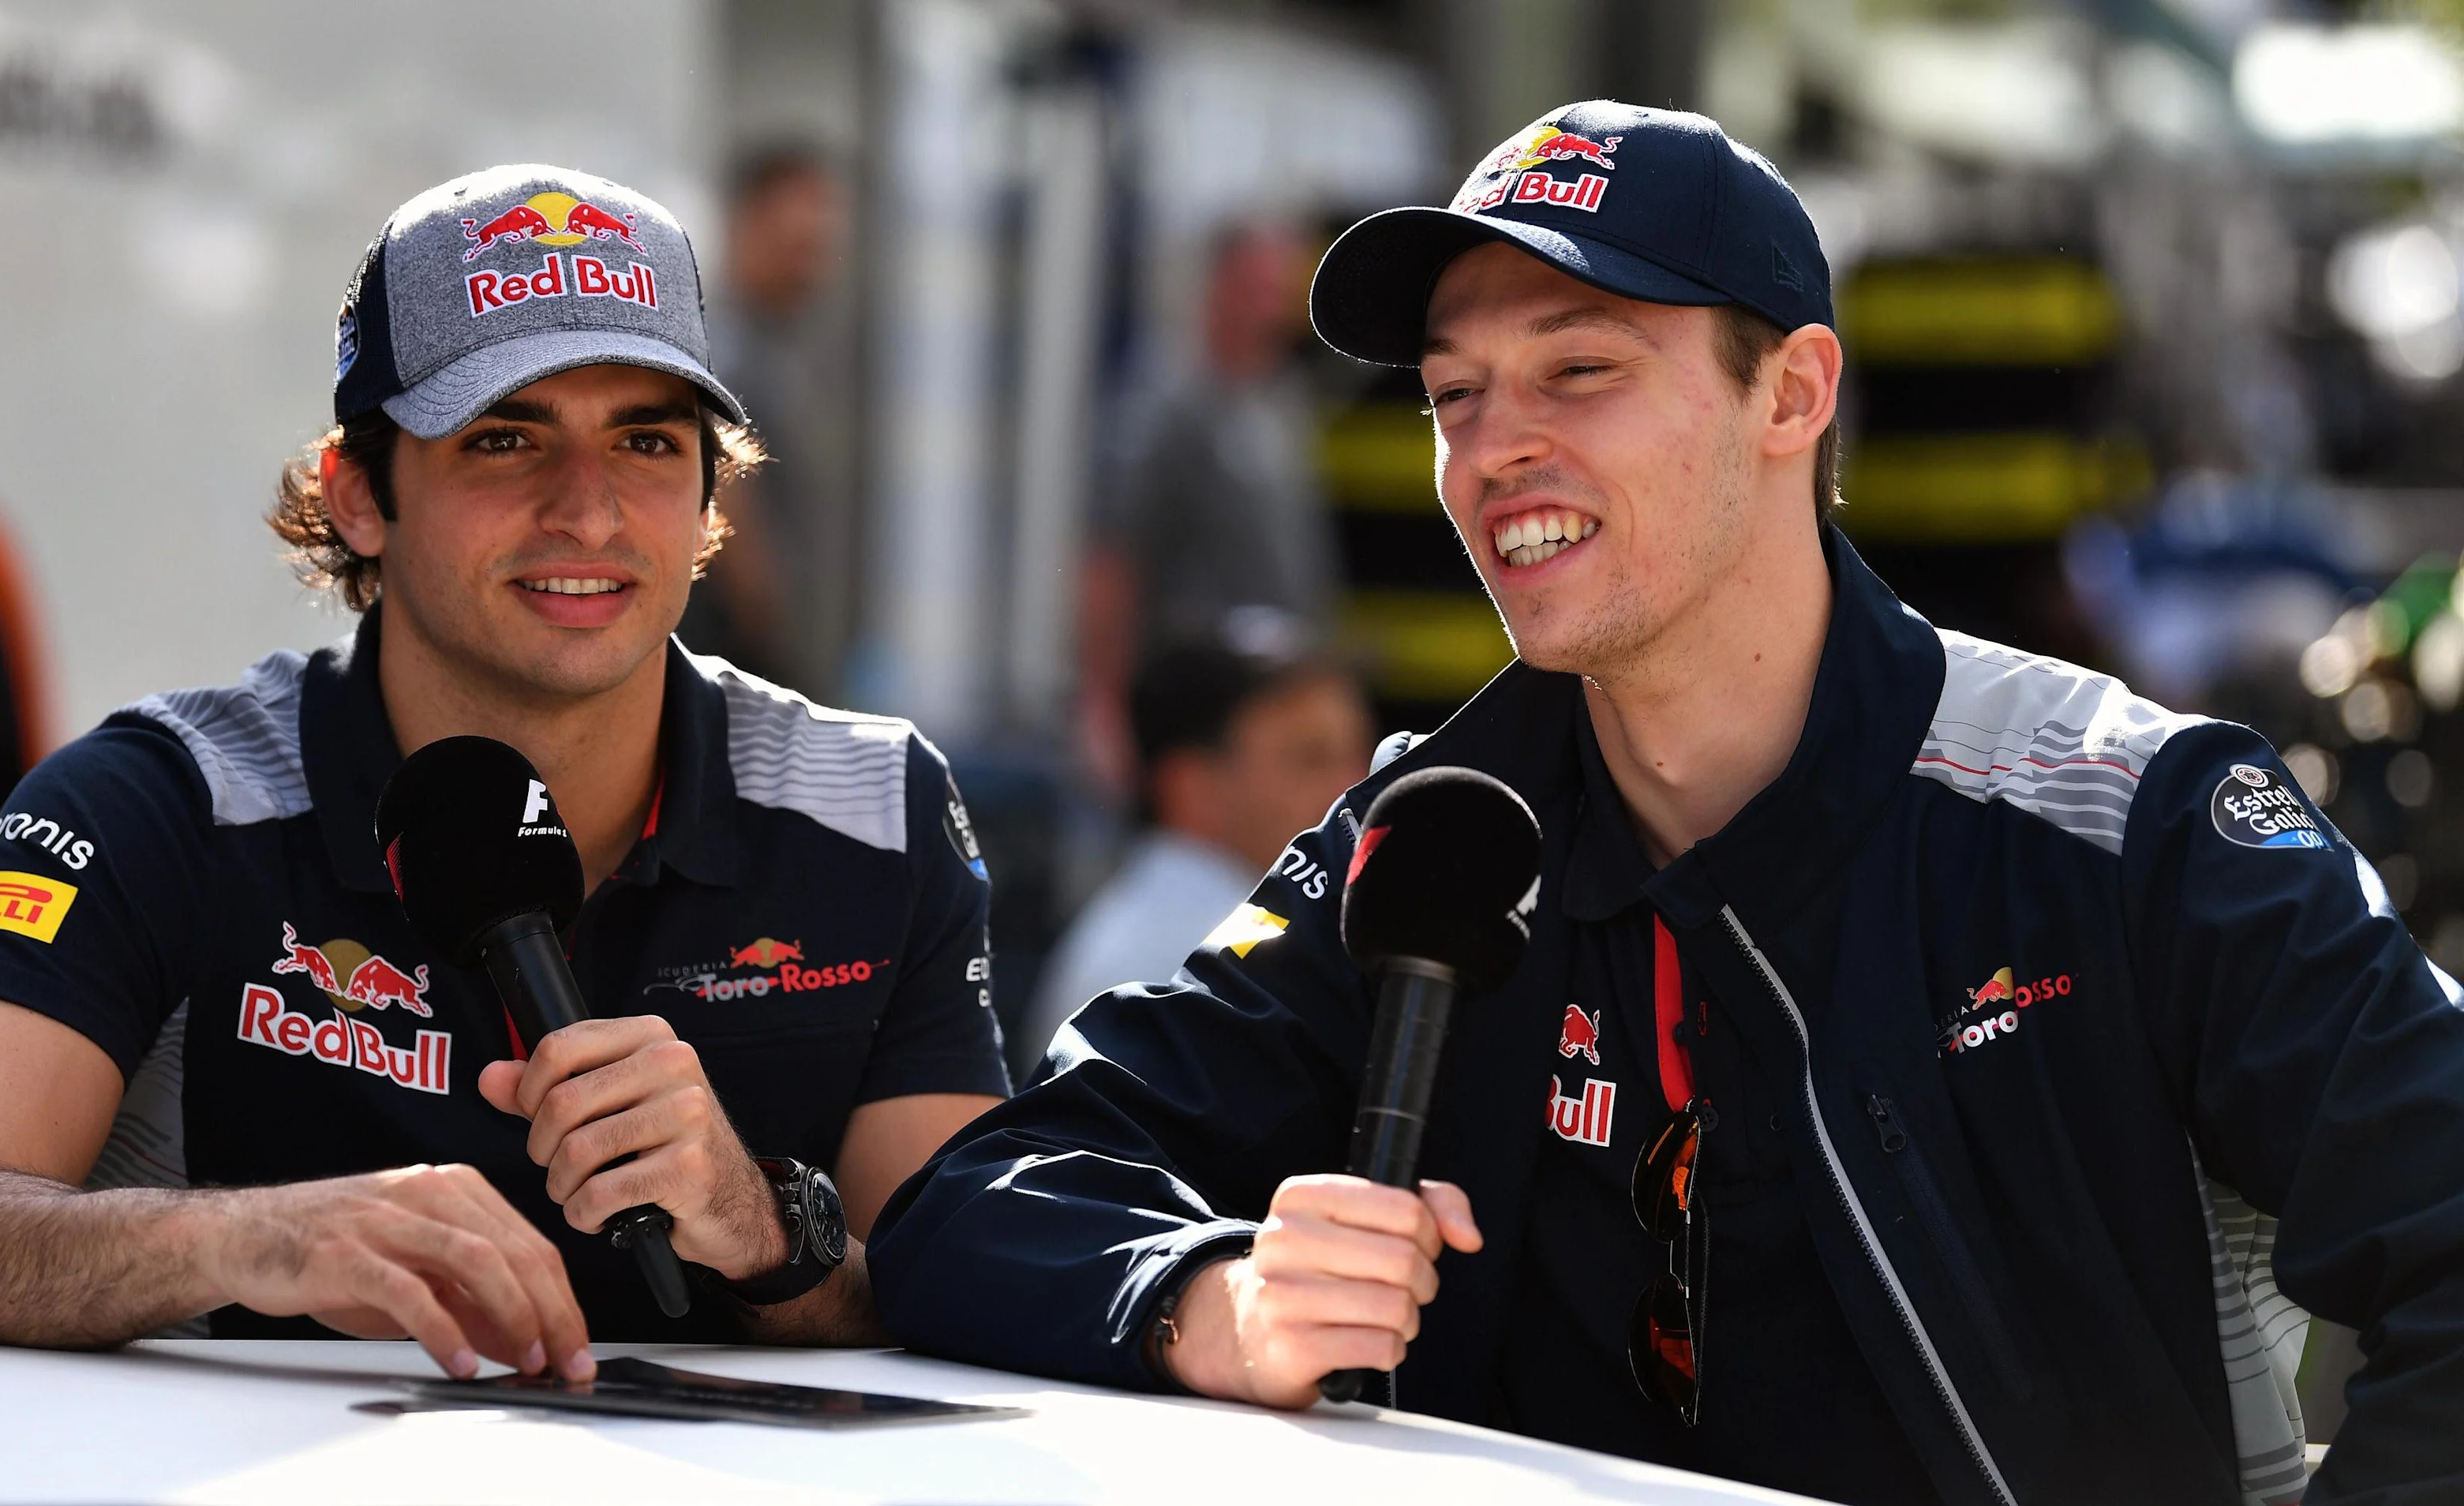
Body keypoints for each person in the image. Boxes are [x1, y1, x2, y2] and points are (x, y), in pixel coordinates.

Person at [868, 104, 2464, 1504]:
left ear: (1791, 396)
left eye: (1578, 370)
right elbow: (977, 1206)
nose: (1494, 451)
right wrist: (1213, 1298)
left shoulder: (2128, 820)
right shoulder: (1428, 838)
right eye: (1452, 395)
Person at [0, 166, 1009, 1381]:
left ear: (708, 495)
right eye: (504, 438)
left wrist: (764, 1230)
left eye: (646, 439)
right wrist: (250, 1239)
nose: (587, 512)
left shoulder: (875, 809)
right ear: (359, 494)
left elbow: (969, 1290)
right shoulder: (163, 799)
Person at [1017, 637, 1373, 1073]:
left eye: (1358, 756)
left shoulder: (1208, 927)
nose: (1353, 786)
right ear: (1192, 785)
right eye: (1310, 759)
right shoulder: (1214, 949)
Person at [1077, 220, 1342, 793]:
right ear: (1218, 287)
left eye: (1281, 289)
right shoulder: (1168, 411)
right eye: (1258, 286)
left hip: (1275, 698)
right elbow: (1111, 559)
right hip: (1202, 704)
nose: (1272, 306)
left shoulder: (1283, 401)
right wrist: (1102, 704)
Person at [680, 144, 852, 694]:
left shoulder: (781, 342)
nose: (812, 265)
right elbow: (724, 476)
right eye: (798, 246)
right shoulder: (728, 340)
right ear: (747, 225)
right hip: (731, 640)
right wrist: (765, 613)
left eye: (821, 249)